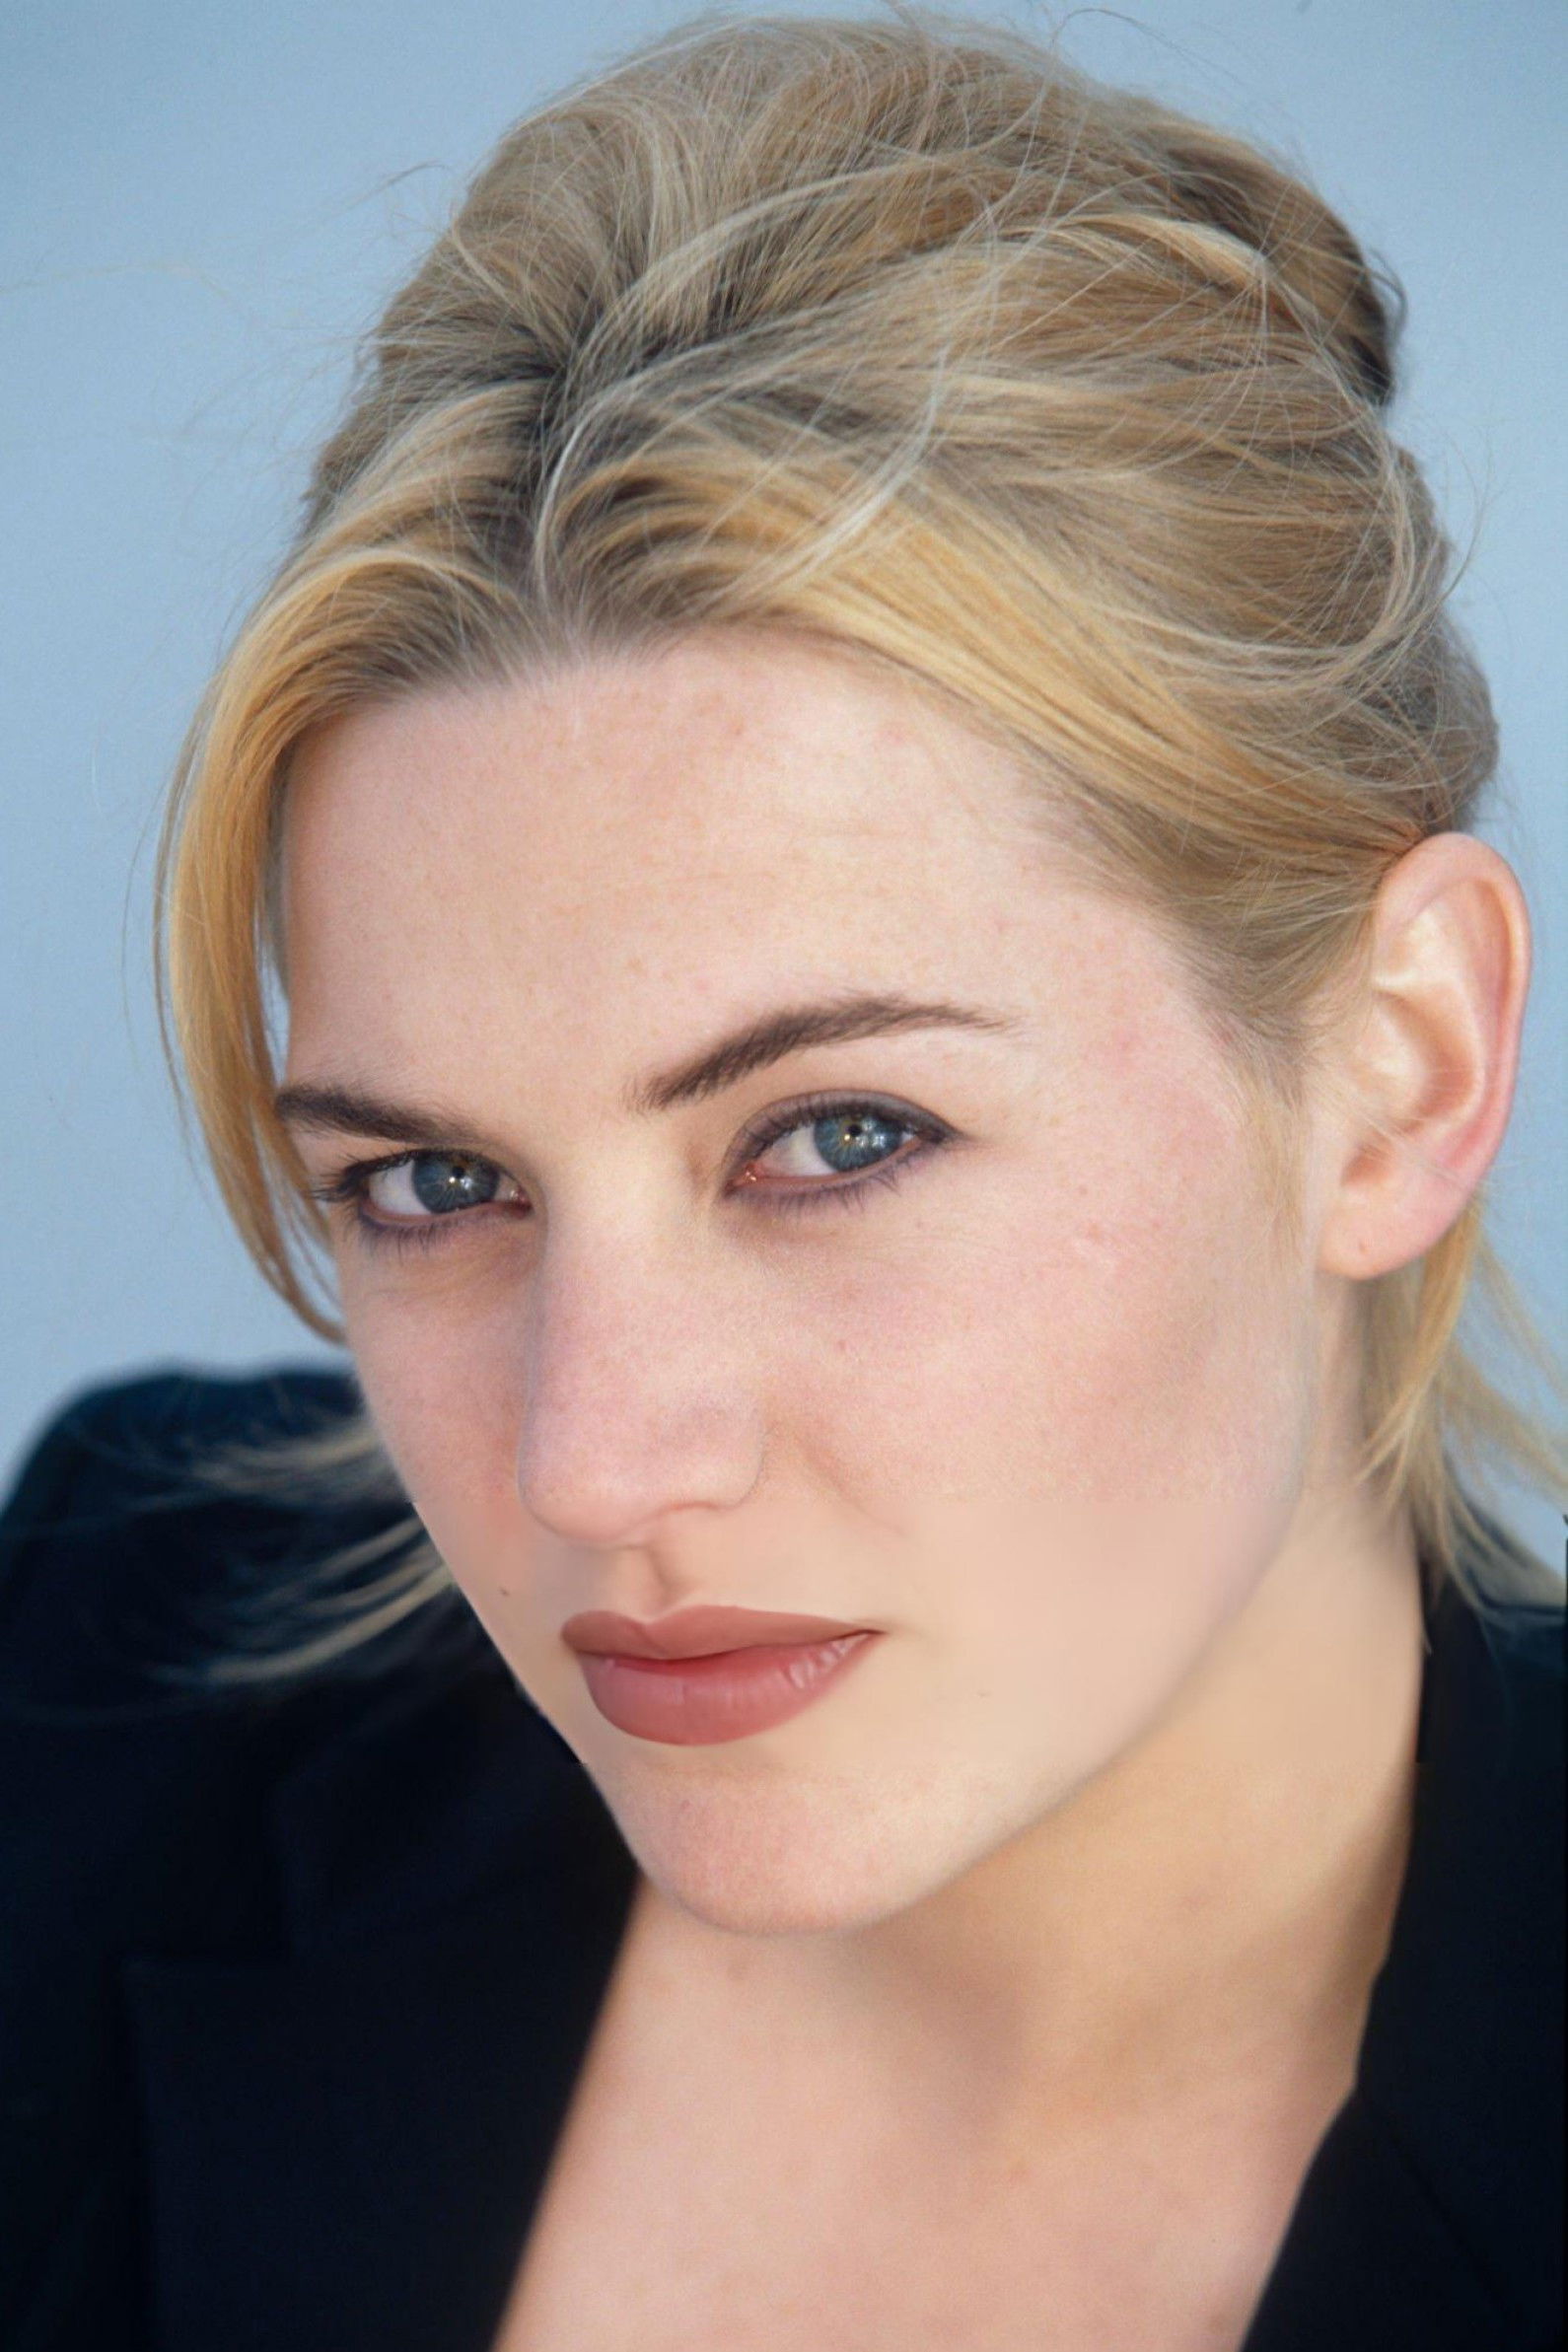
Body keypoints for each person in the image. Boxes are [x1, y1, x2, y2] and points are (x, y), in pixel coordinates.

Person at [2, 9, 1563, 2349]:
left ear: (1401, 1064)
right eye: (436, 1178)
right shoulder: (112, 1684)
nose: (594, 1459)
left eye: (841, 1136)